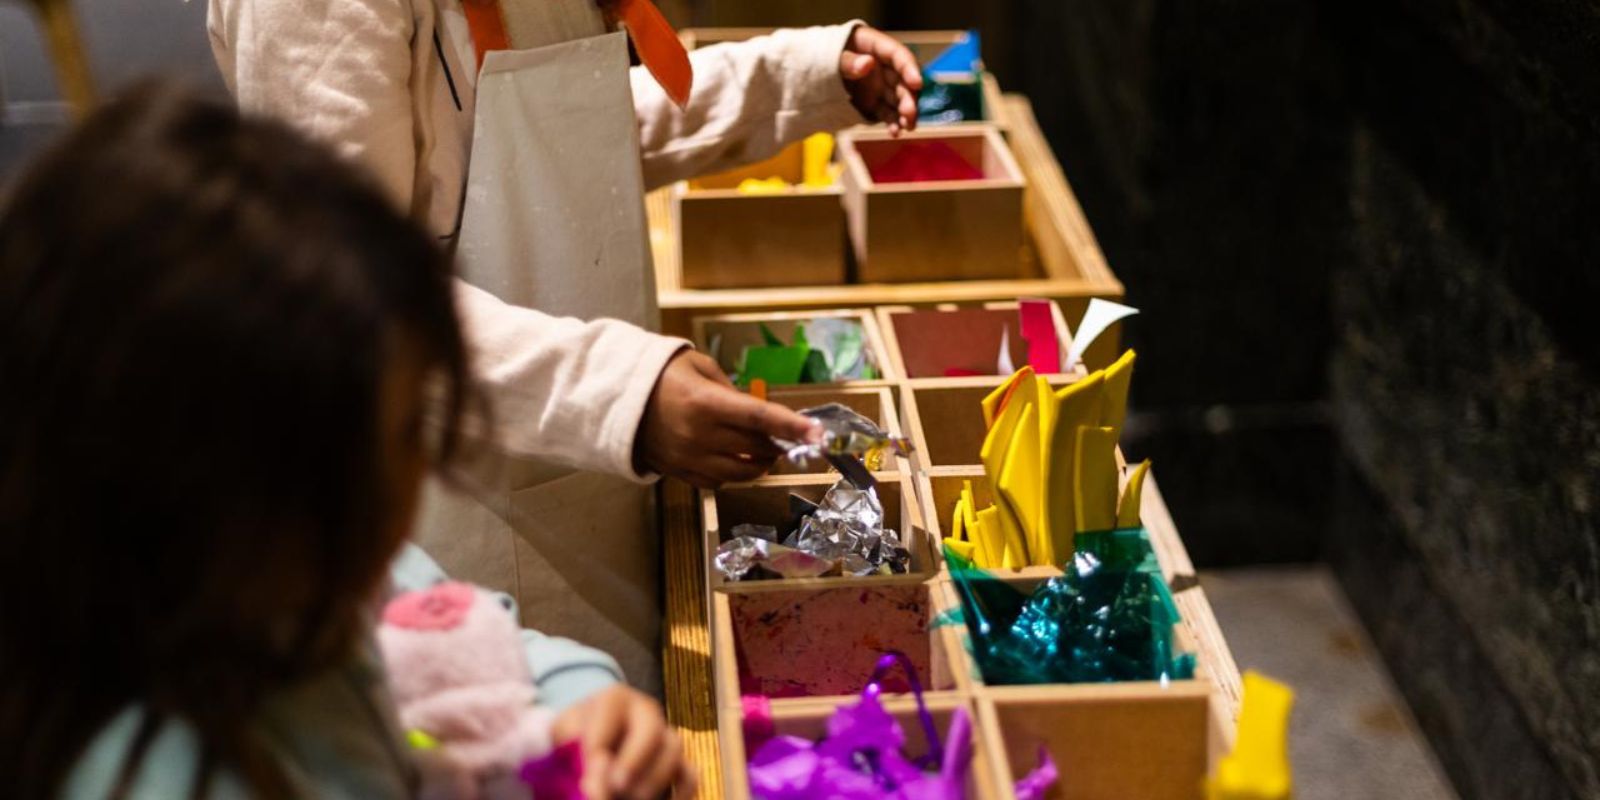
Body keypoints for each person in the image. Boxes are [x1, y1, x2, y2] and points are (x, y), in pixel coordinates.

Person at [207, 0, 926, 692]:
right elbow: (352, 305)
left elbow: (566, 137)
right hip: (453, 514)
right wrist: (623, 395)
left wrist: (795, 76)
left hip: (587, 471)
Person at [0, 82, 690, 800]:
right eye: (392, 442)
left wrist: (573, 703)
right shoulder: (156, 772)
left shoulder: (285, 591)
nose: (415, 480)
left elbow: (449, 629)